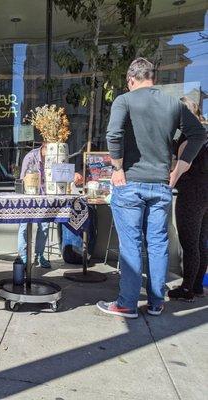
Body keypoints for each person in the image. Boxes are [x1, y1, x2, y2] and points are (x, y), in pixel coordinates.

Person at [97, 58, 206, 318]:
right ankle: (157, 303)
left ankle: (127, 303)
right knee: (158, 244)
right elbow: (199, 135)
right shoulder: (172, 103)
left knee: (131, 244)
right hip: (160, 184)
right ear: (152, 78)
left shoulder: (124, 100)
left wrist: (118, 168)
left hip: (130, 183)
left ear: (130, 79)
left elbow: (114, 135)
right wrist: (179, 169)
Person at [18, 143, 84, 268]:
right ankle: (23, 257)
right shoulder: (31, 157)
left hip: (46, 197)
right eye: (51, 149)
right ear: (44, 147)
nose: (53, 153)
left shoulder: (55, 158)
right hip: (29, 198)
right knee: (24, 227)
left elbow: (61, 175)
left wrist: (72, 175)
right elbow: (22, 179)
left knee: (44, 227)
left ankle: (39, 255)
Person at [167, 97, 207, 301]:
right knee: (200, 241)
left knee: (189, 243)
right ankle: (198, 285)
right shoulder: (203, 132)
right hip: (205, 192)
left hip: (191, 193)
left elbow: (181, 167)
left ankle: (187, 289)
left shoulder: (188, 136)